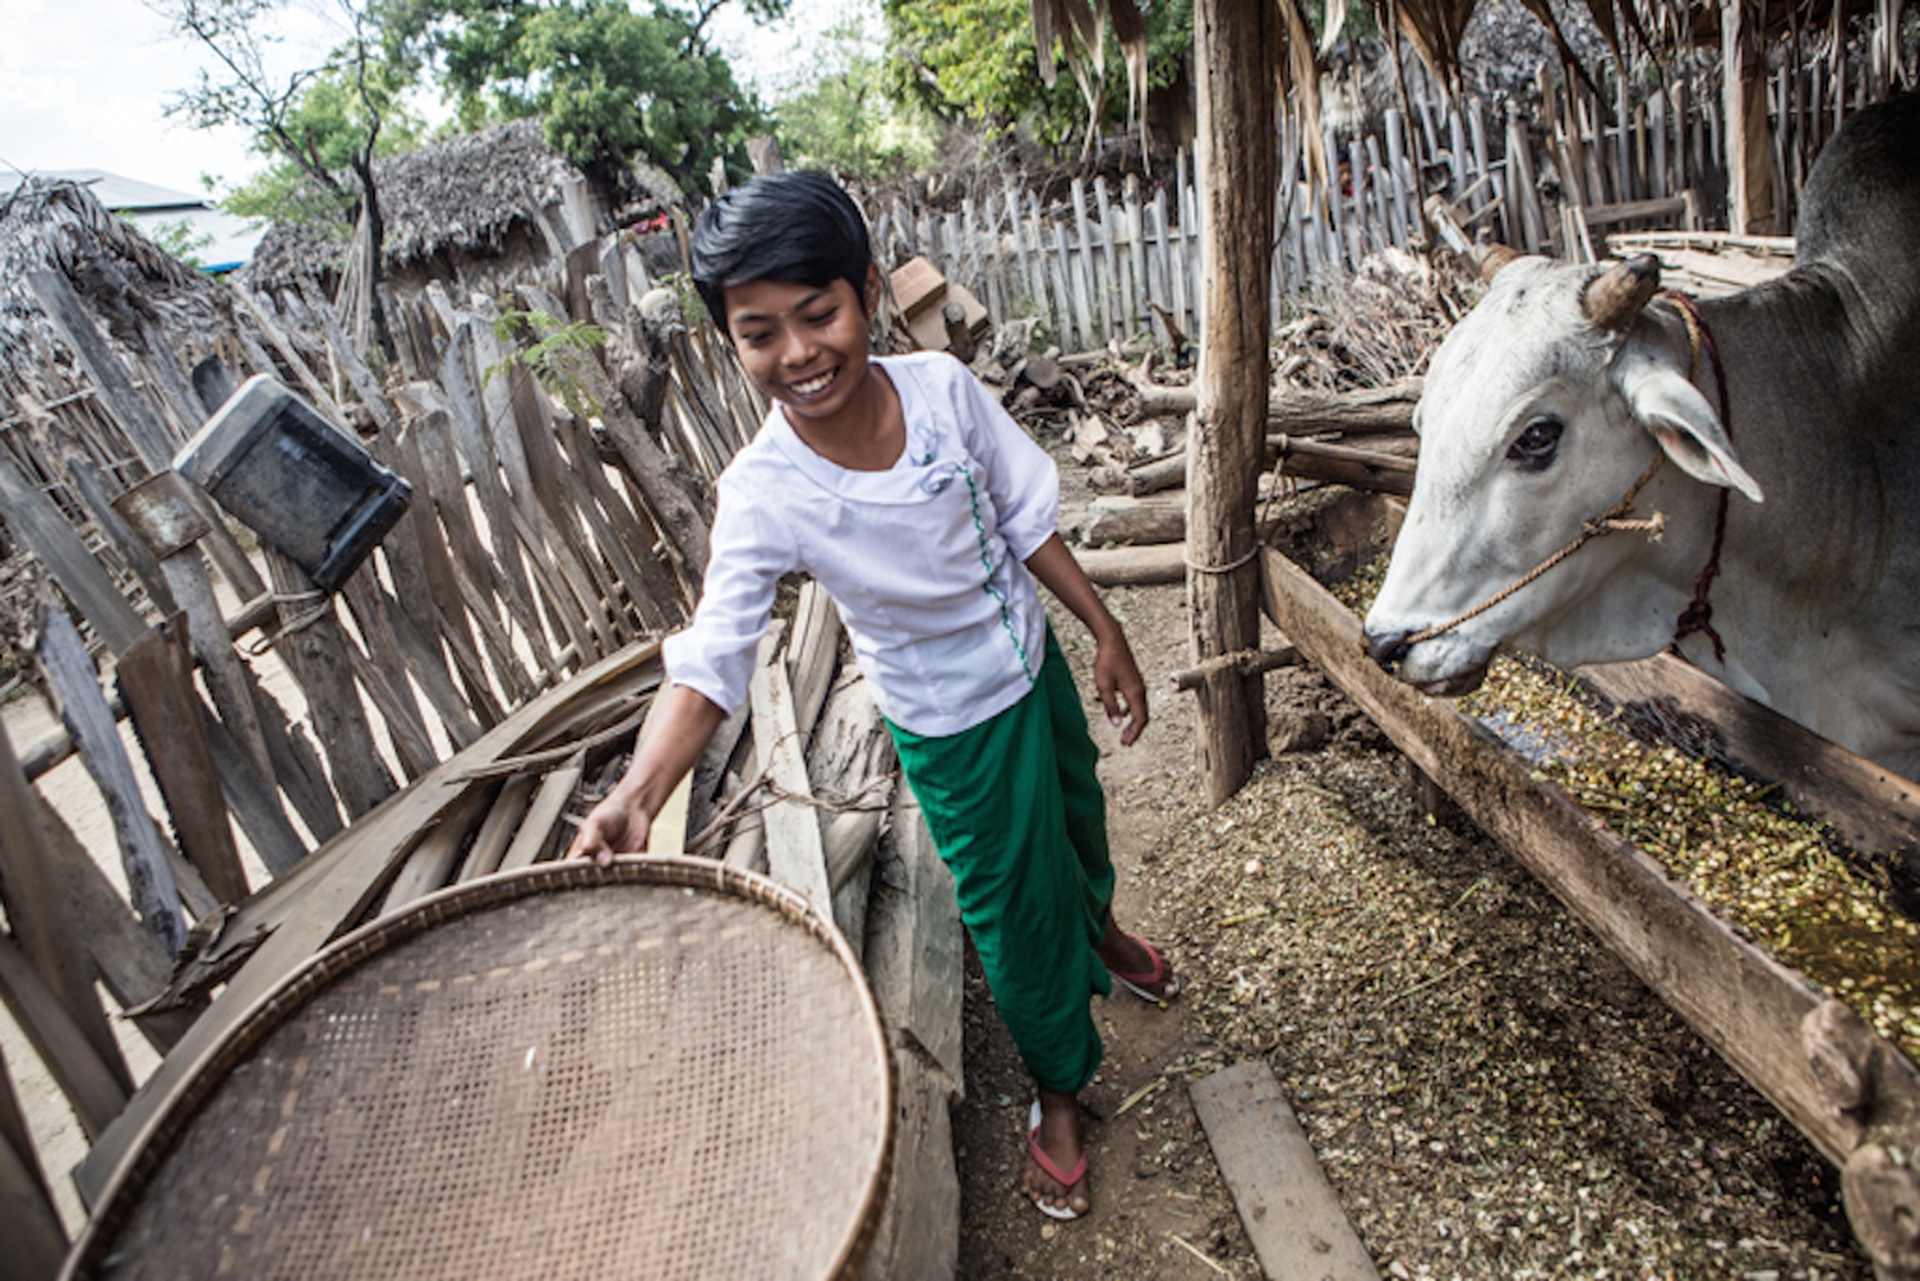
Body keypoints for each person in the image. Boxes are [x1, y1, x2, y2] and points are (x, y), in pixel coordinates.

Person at [567, 170, 1178, 1221]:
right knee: (1013, 917)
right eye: (760, 333)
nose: (799, 354)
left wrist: (1104, 627)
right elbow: (714, 656)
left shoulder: (940, 391)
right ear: (730, 344)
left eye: (819, 314)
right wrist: (636, 792)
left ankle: (1107, 936)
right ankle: (1057, 1090)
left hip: (1031, 672)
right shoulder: (764, 492)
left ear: (864, 292)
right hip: (949, 731)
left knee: (1078, 827)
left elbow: (1026, 516)